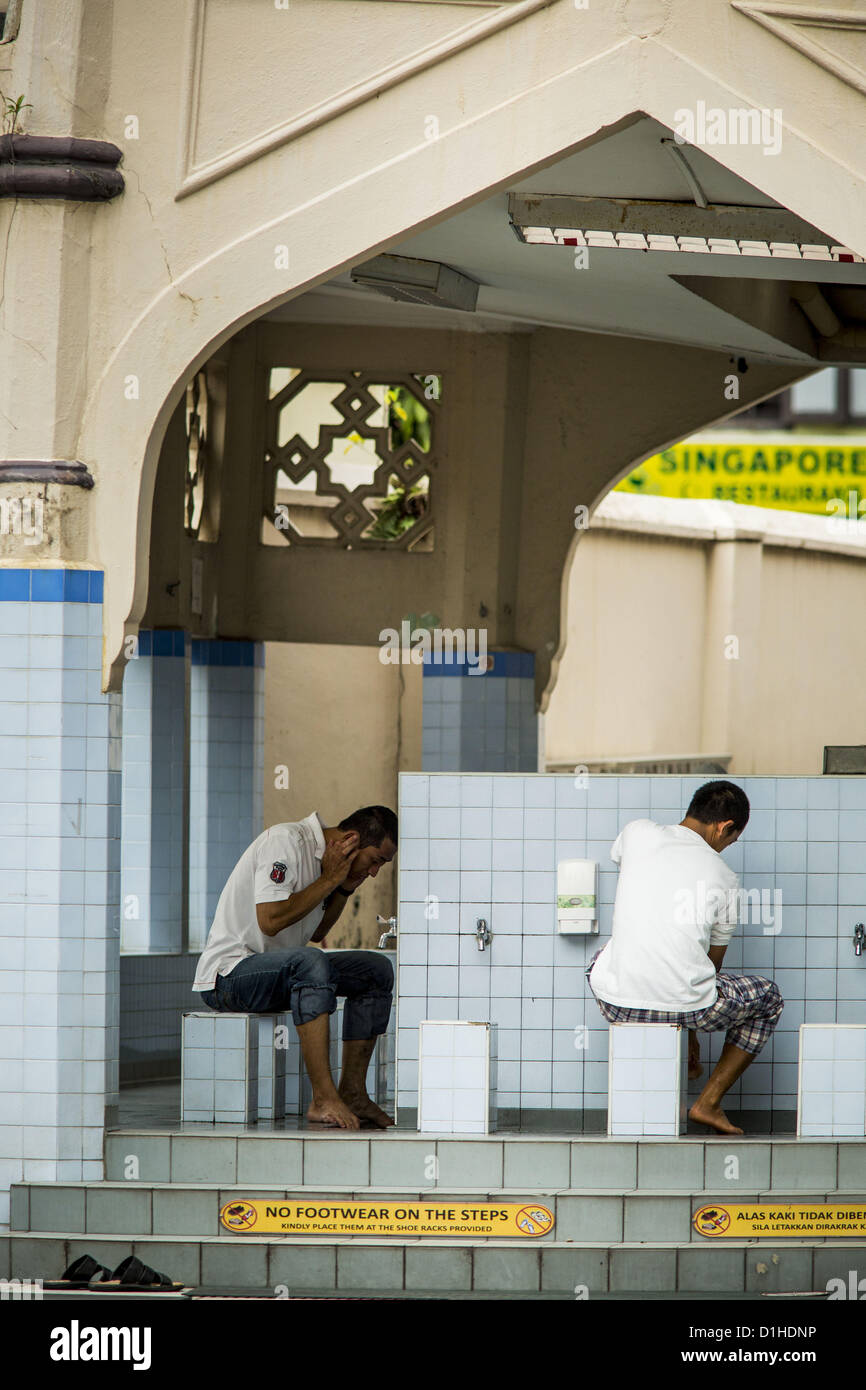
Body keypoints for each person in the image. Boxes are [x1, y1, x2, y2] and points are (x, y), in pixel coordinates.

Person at [586, 780, 783, 1135]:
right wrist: (691, 1023)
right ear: (724, 827)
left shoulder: (637, 833)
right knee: (769, 998)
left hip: (615, 1001)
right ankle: (707, 1103)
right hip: (687, 1005)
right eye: (730, 840)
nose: (725, 847)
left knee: (604, 956)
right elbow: (711, 965)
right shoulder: (724, 876)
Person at [192, 806, 398, 1130]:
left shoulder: (328, 865)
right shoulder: (286, 841)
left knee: (375, 970)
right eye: (375, 861)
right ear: (352, 840)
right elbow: (270, 920)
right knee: (311, 962)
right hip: (229, 976)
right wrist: (331, 879)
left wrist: (342, 888)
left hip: (282, 972)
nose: (374, 872)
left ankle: (354, 1092)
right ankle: (323, 1098)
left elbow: (317, 932)